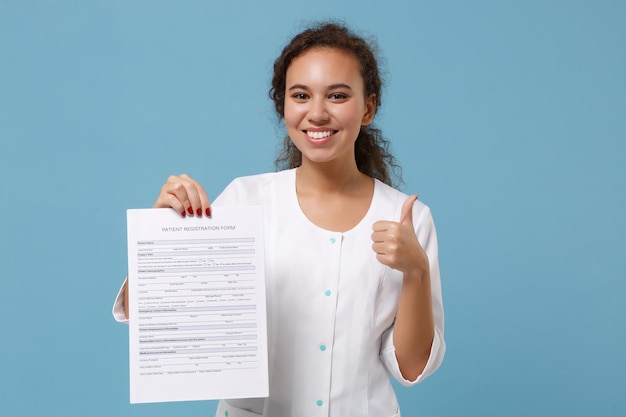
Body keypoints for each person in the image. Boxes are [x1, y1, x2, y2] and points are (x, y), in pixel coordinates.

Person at [113, 21, 445, 417]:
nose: (317, 113)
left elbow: (410, 367)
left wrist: (416, 272)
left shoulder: (407, 219)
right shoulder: (244, 201)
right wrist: (160, 233)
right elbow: (149, 316)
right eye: (301, 95)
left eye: (338, 95)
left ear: (368, 108)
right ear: (283, 106)